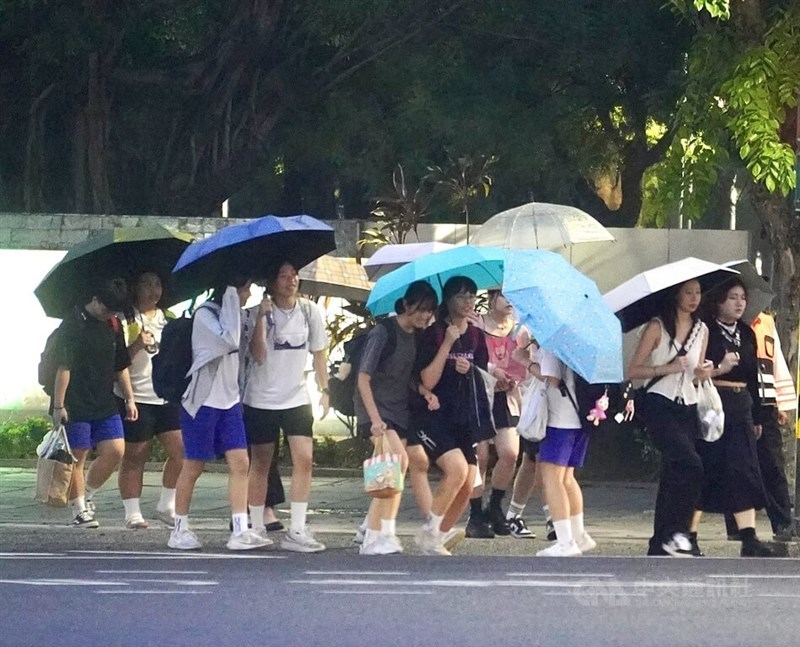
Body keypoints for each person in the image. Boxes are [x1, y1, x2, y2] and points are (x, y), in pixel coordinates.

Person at [168, 276, 269, 551]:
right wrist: (233, 302)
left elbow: (256, 350)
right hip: (202, 402)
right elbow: (229, 340)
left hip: (230, 402)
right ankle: (179, 528)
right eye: (245, 289)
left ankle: (239, 529)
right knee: (194, 465)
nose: (249, 293)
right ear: (231, 290)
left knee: (240, 462)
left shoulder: (234, 314)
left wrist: (258, 314)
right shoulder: (205, 315)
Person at [241, 261, 330, 553]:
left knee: (304, 458)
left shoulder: (309, 311)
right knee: (261, 462)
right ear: (272, 281)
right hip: (261, 397)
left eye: (294, 275)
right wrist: (262, 320)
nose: (291, 280)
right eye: (284, 276)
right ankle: (255, 525)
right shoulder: (257, 313)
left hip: (297, 396)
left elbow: (319, 354)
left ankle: (298, 527)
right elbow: (257, 354)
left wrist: (325, 389)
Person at [691, 278, 775, 557]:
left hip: (741, 404)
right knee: (707, 465)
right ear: (718, 301)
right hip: (714, 401)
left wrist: (759, 414)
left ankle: (748, 537)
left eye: (742, 298)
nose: (739, 303)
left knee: (744, 468)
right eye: (732, 298)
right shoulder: (705, 330)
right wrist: (720, 367)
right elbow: (697, 370)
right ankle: (689, 535)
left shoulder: (746, 333)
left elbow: (755, 376)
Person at [355, 281, 439, 555]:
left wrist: (424, 392)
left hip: (399, 410)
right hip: (377, 410)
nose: (426, 316)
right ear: (405, 305)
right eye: (421, 309)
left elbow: (406, 376)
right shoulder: (383, 332)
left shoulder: (415, 336)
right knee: (395, 463)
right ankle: (376, 536)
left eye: (430, 310)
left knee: (394, 472)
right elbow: (363, 378)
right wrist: (375, 420)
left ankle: (378, 529)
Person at [628, 279, 710, 557]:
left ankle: (660, 541)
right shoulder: (657, 327)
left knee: (674, 471)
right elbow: (634, 370)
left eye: (698, 293)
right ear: (676, 295)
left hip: (687, 404)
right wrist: (668, 367)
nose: (694, 298)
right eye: (688, 292)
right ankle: (678, 532)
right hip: (659, 402)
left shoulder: (702, 330)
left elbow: (697, 373)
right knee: (691, 464)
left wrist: (709, 370)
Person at [413, 276, 493, 555]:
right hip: (434, 417)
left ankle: (440, 534)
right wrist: (447, 344)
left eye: (472, 295)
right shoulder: (434, 333)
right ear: (447, 300)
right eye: (461, 296)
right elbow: (426, 379)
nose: (468, 301)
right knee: (456, 469)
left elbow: (483, 375)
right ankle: (429, 532)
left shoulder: (475, 335)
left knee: (469, 481)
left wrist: (469, 369)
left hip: (464, 417)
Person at [50, 277, 137, 528]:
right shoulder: (74, 322)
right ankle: (79, 510)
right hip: (75, 400)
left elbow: (120, 365)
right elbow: (64, 366)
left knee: (116, 450)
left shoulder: (113, 324)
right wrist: (59, 405)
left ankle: (87, 494)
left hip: (104, 399)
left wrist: (129, 397)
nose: (108, 314)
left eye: (113, 311)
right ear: (96, 300)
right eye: (106, 308)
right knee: (78, 456)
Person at [115, 271, 184, 529]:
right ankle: (132, 511)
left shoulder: (170, 320)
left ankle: (167, 504)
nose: (154, 290)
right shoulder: (124, 319)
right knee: (135, 455)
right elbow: (116, 362)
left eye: (158, 284)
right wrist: (135, 345)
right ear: (135, 287)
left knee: (182, 452)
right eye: (147, 283)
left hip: (165, 397)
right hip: (136, 397)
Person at [724, 310, 798, 541]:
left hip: (765, 401)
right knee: (735, 463)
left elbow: (775, 360)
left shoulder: (765, 321)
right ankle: (737, 525)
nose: (740, 303)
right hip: (739, 396)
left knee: (773, 464)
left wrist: (781, 402)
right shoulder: (728, 325)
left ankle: (783, 523)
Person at [467, 290, 528, 538]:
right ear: (492, 298)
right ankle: (475, 514)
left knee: (510, 453)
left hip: (507, 397)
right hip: (478, 392)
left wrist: (513, 380)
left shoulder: (521, 329)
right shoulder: (476, 324)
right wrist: (492, 370)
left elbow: (525, 361)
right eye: (504, 295)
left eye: (514, 295)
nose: (510, 301)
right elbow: (469, 356)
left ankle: (495, 506)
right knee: (480, 457)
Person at [530, 349, 596, 557]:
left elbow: (552, 377)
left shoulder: (554, 342)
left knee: (552, 478)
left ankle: (565, 541)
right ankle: (578, 535)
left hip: (560, 418)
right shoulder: (582, 340)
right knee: (567, 478)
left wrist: (526, 362)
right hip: (582, 415)